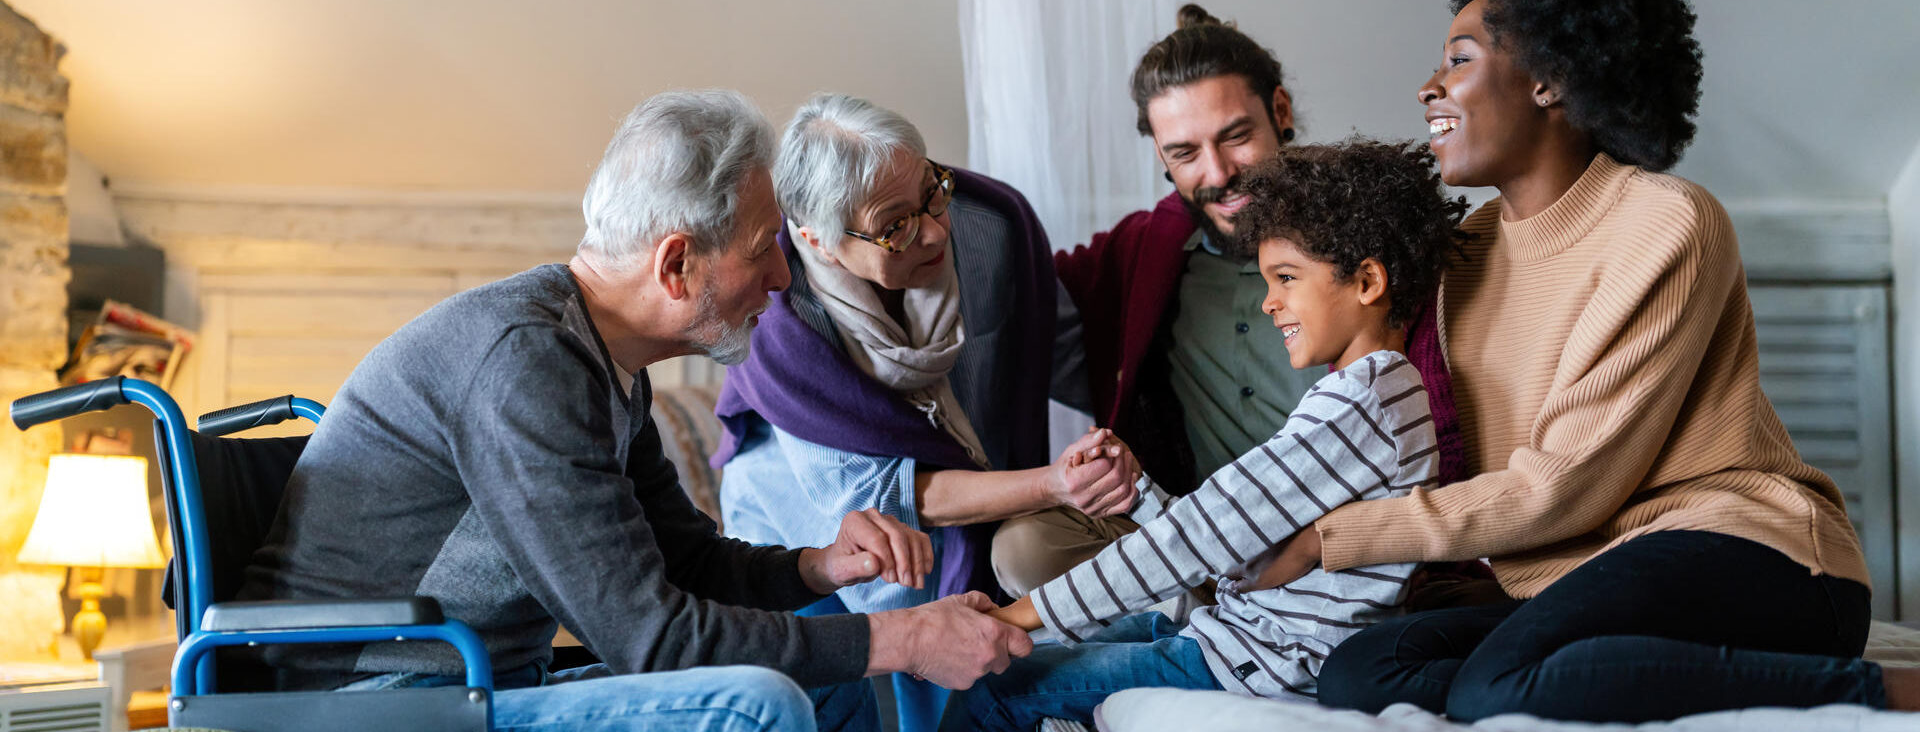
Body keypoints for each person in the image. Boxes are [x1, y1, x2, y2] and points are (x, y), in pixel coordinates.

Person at [239, 89, 1033, 732]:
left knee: (824, 683)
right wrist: (901, 638)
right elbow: (651, 640)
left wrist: (817, 565)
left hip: (477, 680)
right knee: (757, 705)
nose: (783, 281)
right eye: (763, 251)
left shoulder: (600, 362)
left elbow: (686, 566)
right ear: (678, 263)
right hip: (371, 703)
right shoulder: (525, 364)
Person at [1237, 0, 1920, 721]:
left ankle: (1880, 691)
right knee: (1363, 671)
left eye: (1458, 60)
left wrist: (1325, 541)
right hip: (1588, 568)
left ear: (1550, 79)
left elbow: (1562, 488)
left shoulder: (1667, 220)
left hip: (1753, 551)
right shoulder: (1461, 256)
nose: (1427, 87)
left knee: (1495, 684)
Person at [948, 139, 1474, 731]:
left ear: (1367, 281)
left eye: (1286, 278)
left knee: (991, 693)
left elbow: (1199, 536)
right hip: (1234, 634)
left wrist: (1013, 615)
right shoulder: (1373, 393)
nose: (1269, 302)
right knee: (1042, 656)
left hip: (1261, 663)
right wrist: (1139, 490)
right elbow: (1233, 541)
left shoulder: (1363, 402)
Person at [998, 3, 1477, 600]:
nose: (1220, 173)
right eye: (1185, 152)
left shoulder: (1363, 232)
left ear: (1279, 111)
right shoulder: (1144, 251)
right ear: (1160, 157)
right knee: (1025, 546)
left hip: (1357, 551)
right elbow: (1006, 275)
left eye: (1236, 136)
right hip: (1207, 547)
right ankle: (1207, 619)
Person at [711, 93, 1140, 732]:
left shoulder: (992, 224)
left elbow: (1067, 354)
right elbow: (883, 495)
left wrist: (1123, 453)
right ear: (817, 241)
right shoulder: (777, 316)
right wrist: (1054, 483)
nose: (936, 230)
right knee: (883, 608)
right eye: (895, 226)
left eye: (933, 192)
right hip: (799, 507)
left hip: (959, 491)